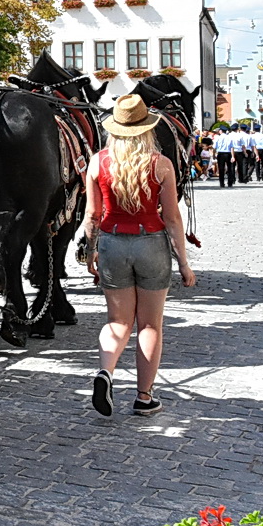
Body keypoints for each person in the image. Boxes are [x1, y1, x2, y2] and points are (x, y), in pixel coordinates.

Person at [85, 96, 196, 418]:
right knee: (150, 325)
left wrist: (91, 252)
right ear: (147, 129)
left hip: (111, 242)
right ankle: (144, 397)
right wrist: (185, 264)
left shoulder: (98, 162)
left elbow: (93, 214)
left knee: (117, 321)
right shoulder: (160, 164)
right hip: (151, 243)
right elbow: (173, 218)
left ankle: (106, 371)